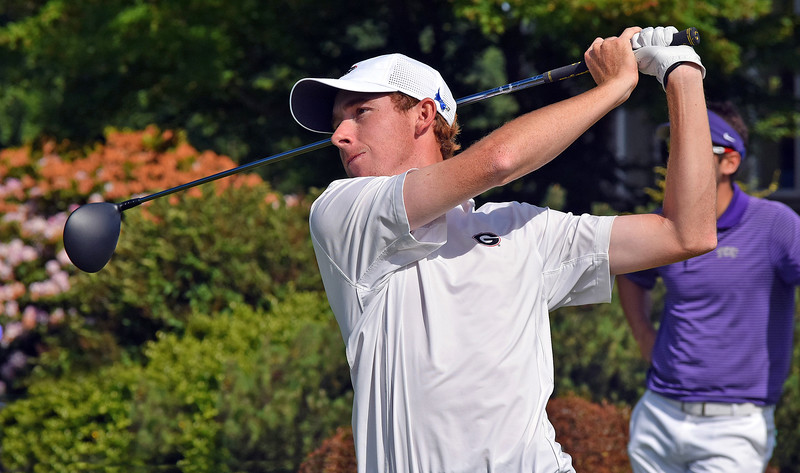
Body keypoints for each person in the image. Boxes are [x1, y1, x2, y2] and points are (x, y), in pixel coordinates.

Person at [290, 26, 716, 472]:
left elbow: (688, 233)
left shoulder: (520, 227)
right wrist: (614, 87)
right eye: (338, 121)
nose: (339, 135)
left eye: (360, 112)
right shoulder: (341, 212)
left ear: (422, 115)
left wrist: (682, 72)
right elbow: (499, 161)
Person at [618, 101, 800, 472]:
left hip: (734, 426)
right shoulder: (663, 225)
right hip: (658, 413)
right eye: (676, 147)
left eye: (696, 147)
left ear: (729, 162)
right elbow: (631, 274)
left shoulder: (776, 225)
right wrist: (642, 334)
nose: (679, 159)